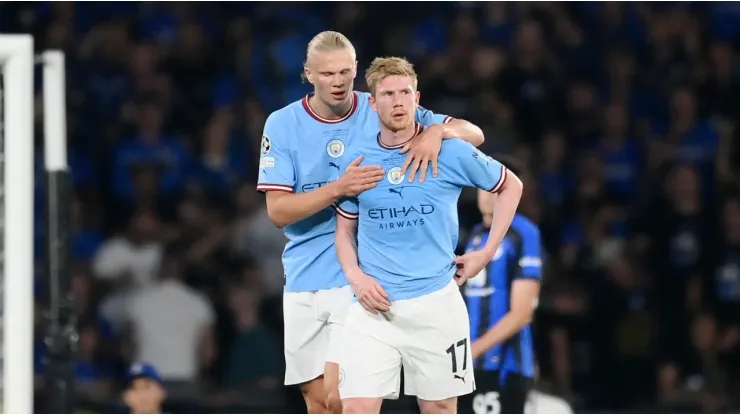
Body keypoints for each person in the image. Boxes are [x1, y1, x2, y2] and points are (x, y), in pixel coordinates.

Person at [257, 31, 485, 413]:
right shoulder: (282, 124)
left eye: (346, 72)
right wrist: (338, 188)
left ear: (357, 71)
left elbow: (474, 134)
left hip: (360, 275)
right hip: (303, 273)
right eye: (328, 74)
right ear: (308, 74)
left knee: (341, 396)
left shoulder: (381, 103)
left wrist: (436, 131)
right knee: (317, 400)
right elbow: (278, 212)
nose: (339, 81)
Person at [333, 57, 523, 414]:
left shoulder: (449, 150)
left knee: (439, 408)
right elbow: (344, 231)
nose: (398, 101)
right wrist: (356, 277)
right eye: (387, 94)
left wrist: (487, 252)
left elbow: (511, 185)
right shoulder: (358, 159)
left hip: (436, 303)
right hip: (373, 306)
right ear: (373, 103)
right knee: (355, 409)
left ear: (417, 98)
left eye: (405, 92)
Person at [457, 156, 543, 414]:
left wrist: (474, 350)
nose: (487, 193)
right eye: (484, 184)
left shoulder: (524, 233)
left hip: (505, 366)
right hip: (468, 365)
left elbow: (522, 313)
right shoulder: (474, 236)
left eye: (496, 187)